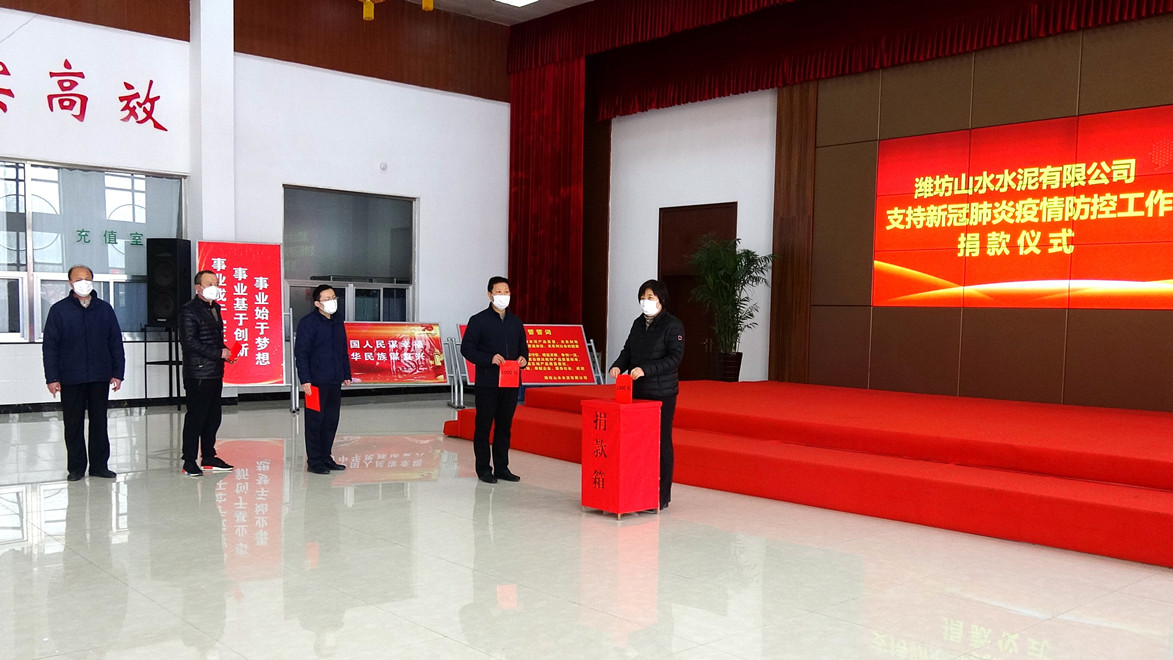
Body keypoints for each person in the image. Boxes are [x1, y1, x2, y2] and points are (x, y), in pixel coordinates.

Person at [42, 265, 125, 481]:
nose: (83, 282)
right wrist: (52, 377)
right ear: (70, 283)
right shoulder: (59, 310)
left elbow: (115, 342)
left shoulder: (104, 309)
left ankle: (99, 466)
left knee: (99, 422)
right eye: (78, 279)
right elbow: (50, 347)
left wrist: (117, 372)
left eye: (87, 278)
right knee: (73, 423)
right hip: (71, 376)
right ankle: (76, 467)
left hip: (99, 375)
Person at [609, 279, 684, 510]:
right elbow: (628, 351)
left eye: (650, 297)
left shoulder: (673, 325)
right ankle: (641, 491)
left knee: (661, 443)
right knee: (640, 444)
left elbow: (674, 358)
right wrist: (618, 366)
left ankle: (662, 495)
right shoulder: (638, 323)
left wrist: (646, 369)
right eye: (642, 297)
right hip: (638, 392)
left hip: (662, 393)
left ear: (661, 299)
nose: (645, 302)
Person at [460, 276, 528, 484]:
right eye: (498, 292)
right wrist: (489, 358)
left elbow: (523, 347)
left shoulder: (516, 322)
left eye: (506, 292)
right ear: (490, 295)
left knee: (504, 426)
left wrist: (523, 359)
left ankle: (502, 468)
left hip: (511, 382)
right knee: (484, 425)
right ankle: (483, 469)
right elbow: (467, 349)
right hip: (487, 382)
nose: (503, 296)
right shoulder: (479, 320)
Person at [178, 270, 234, 477]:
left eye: (216, 283)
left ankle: (209, 457)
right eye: (209, 283)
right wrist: (217, 353)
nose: (214, 287)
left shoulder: (215, 308)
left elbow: (214, 338)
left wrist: (225, 351)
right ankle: (189, 461)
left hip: (215, 372)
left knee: (213, 417)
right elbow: (189, 342)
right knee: (196, 418)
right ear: (198, 287)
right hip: (198, 373)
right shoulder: (189, 311)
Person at [294, 284, 352, 475]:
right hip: (315, 382)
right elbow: (301, 353)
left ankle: (326, 457)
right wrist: (305, 379)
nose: (332, 301)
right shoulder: (308, 323)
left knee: (330, 421)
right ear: (317, 303)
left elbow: (342, 349)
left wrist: (346, 374)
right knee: (314, 422)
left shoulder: (337, 321)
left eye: (334, 297)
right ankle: (314, 461)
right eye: (327, 299)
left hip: (334, 380)